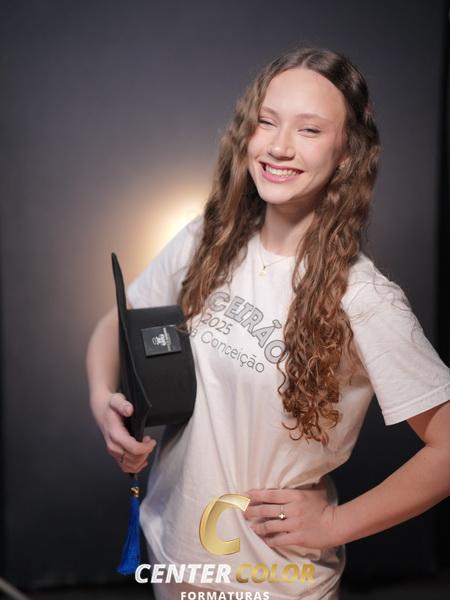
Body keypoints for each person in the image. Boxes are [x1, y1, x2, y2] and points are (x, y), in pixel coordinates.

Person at [85, 46, 450, 599]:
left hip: (276, 581)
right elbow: (116, 323)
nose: (279, 146)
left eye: (309, 129)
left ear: (347, 153)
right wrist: (102, 404)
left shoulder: (364, 297)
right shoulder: (207, 239)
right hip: (173, 557)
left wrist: (335, 523)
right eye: (267, 121)